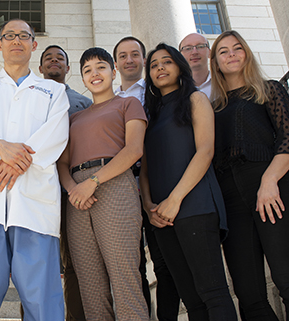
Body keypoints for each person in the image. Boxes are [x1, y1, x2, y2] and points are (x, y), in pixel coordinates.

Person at [0, 18, 69, 321]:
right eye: (10, 35)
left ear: (34, 45)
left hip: (34, 204)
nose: (16, 40)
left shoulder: (53, 91)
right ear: (0, 44)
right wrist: (0, 147)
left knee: (42, 295)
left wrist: (14, 159)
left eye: (24, 36)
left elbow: (55, 134)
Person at [210, 30, 289, 321]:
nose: (231, 54)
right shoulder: (213, 108)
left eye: (237, 48)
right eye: (223, 51)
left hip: (271, 188)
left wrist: (269, 181)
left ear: (246, 54)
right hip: (231, 200)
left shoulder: (268, 90)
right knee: (249, 295)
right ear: (215, 62)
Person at [140, 43, 237, 321]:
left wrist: (175, 199)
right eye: (155, 64)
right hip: (161, 217)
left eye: (166, 62)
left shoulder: (195, 99)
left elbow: (205, 151)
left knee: (213, 293)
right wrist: (149, 207)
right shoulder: (151, 114)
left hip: (195, 206)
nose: (160, 67)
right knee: (192, 300)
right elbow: (145, 169)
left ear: (180, 67)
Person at [56, 47, 149, 320]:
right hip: (77, 196)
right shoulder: (74, 117)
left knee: (124, 277)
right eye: (87, 70)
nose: (94, 74)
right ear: (82, 79)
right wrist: (74, 189)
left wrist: (93, 181)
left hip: (114, 184)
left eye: (100, 67)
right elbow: (62, 163)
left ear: (113, 71)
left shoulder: (128, 104)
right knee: (90, 285)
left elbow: (134, 150)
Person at [113, 36, 180, 320]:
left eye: (135, 54)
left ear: (143, 59)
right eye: (123, 55)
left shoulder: (154, 96)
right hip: (120, 187)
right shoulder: (111, 99)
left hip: (155, 183)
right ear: (115, 64)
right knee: (131, 266)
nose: (129, 60)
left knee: (164, 264)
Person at [38, 44, 90, 321]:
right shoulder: (29, 100)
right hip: (36, 187)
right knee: (36, 261)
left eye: (60, 58)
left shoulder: (84, 104)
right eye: (49, 58)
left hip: (73, 189)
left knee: (75, 260)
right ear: (40, 68)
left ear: (68, 69)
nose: (54, 61)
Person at [179, 33, 212, 97]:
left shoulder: (223, 83)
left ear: (209, 52)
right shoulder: (175, 88)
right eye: (188, 48)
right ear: (180, 56)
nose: (194, 52)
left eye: (200, 46)